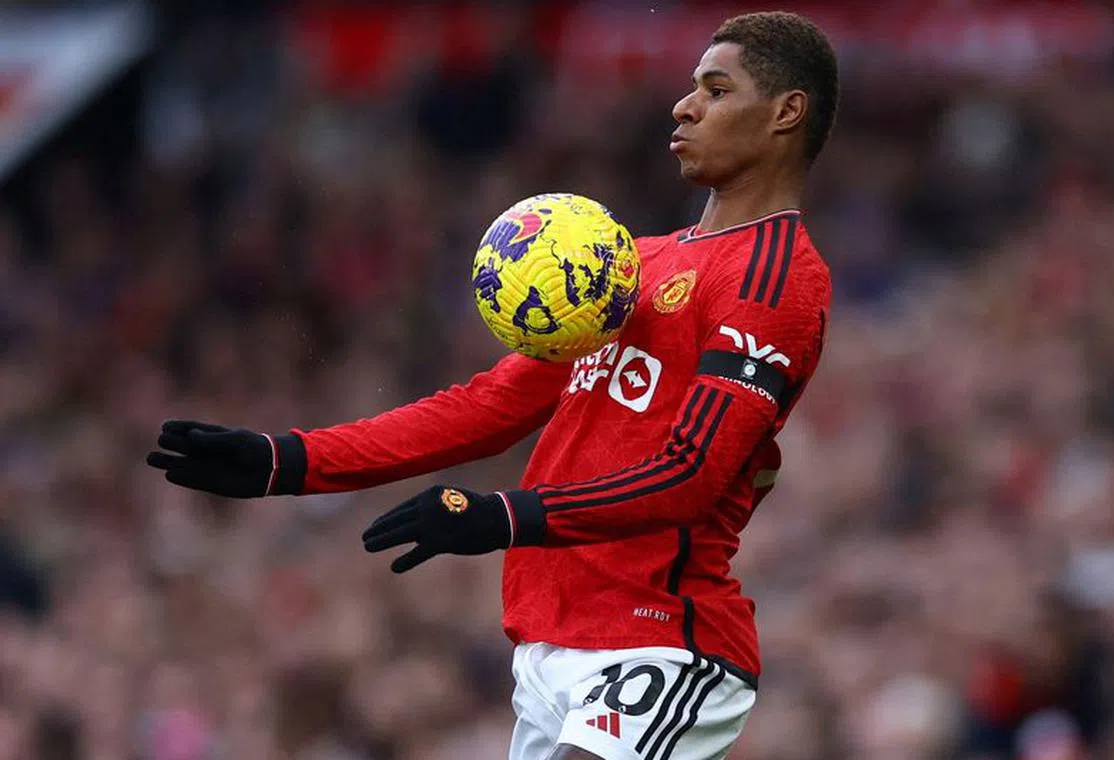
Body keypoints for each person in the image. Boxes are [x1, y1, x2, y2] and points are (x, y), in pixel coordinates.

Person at [147, 11, 839, 760]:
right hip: (549, 643)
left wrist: (503, 515)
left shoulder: (774, 278)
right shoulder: (631, 263)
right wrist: (291, 461)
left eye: (714, 87)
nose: (684, 105)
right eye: (690, 86)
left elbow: (690, 473)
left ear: (786, 112)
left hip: (661, 635)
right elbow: (491, 404)